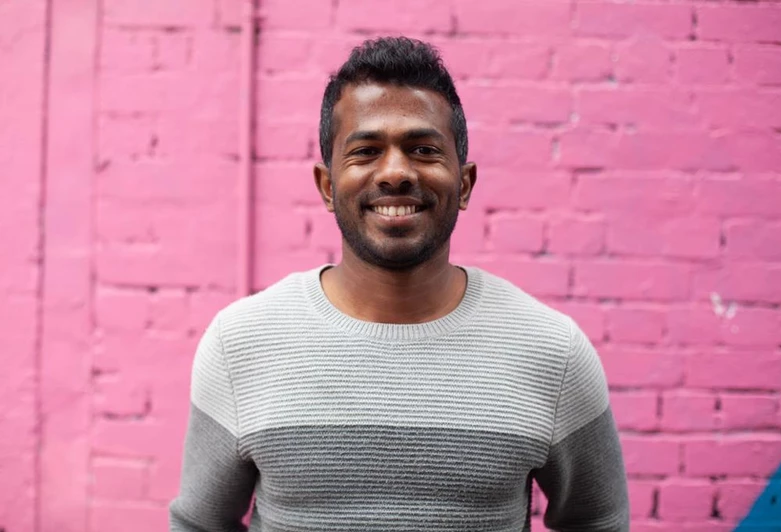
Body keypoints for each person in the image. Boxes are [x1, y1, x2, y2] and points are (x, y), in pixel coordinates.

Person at [169, 36, 629, 532]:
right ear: (327, 186)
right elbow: (199, 523)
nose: (395, 173)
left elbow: (598, 522)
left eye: (423, 150)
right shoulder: (242, 343)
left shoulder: (551, 352)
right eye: (366, 151)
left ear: (465, 183)